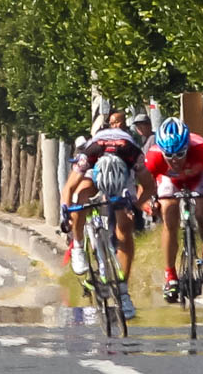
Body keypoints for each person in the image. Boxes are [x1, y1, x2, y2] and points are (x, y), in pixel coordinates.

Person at [60, 125, 156, 319]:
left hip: (122, 173)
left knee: (125, 227)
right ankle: (78, 245)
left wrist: (136, 204)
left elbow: (149, 186)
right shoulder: (89, 155)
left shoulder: (134, 155)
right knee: (80, 197)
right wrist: (65, 214)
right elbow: (69, 188)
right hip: (97, 167)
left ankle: (123, 292)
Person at [145, 117, 203, 303]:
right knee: (169, 216)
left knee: (202, 214)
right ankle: (170, 276)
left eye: (180, 154)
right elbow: (144, 188)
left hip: (198, 179)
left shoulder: (200, 150)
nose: (175, 160)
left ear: (188, 148)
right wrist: (149, 204)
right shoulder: (154, 157)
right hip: (169, 181)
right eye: (169, 155)